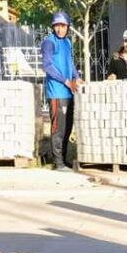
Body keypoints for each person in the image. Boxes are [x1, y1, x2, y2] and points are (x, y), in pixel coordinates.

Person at [40, 11, 81, 171]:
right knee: (58, 128)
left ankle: (63, 159)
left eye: (63, 26)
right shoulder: (49, 42)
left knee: (68, 127)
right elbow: (47, 66)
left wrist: (76, 77)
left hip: (68, 91)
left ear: (68, 27)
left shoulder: (67, 42)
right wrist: (65, 80)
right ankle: (58, 163)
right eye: (57, 26)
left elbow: (69, 62)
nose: (60, 29)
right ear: (53, 27)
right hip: (56, 92)